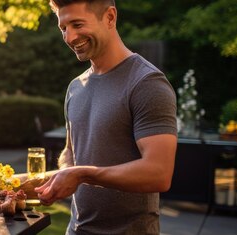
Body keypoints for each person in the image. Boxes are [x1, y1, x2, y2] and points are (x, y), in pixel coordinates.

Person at [33, 0, 178, 234]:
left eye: (77, 24)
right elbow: (71, 153)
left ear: (110, 17)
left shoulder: (146, 83)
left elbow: (159, 173)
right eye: (63, 28)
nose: (69, 38)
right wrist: (23, 183)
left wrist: (81, 174)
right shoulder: (75, 87)